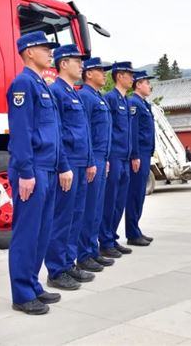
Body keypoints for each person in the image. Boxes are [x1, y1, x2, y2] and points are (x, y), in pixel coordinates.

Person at [6, 31, 63, 315]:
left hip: (48, 168)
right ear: (29, 52)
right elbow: (21, 133)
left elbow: (53, 131)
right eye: (45, 48)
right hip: (33, 170)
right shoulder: (22, 85)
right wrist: (26, 171)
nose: (50, 52)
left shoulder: (42, 85)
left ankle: (34, 284)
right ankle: (21, 293)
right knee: (27, 233)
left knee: (42, 233)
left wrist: (61, 166)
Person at [44, 44, 96, 291]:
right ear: (63, 63)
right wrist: (64, 164)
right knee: (63, 217)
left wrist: (88, 162)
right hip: (67, 165)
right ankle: (55, 269)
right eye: (77, 61)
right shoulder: (56, 91)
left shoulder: (73, 93)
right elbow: (58, 133)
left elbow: (82, 132)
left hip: (80, 163)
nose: (81, 65)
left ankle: (68, 262)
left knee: (76, 216)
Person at [76, 57, 115, 273]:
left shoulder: (97, 97)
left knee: (96, 208)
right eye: (100, 71)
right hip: (92, 158)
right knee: (89, 208)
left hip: (102, 157)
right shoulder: (85, 96)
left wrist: (106, 158)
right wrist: (91, 159)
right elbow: (86, 133)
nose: (104, 75)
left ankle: (92, 250)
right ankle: (83, 255)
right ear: (89, 74)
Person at [100, 62, 136, 255]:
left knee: (120, 201)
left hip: (125, 157)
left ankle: (112, 237)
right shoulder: (111, 99)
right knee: (110, 200)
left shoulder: (126, 100)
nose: (132, 78)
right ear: (119, 76)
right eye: (129, 75)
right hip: (114, 155)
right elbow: (108, 130)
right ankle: (104, 241)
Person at [125, 70, 157, 247]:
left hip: (146, 153)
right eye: (146, 82)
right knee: (135, 194)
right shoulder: (134, 103)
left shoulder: (144, 104)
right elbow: (133, 132)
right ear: (138, 84)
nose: (149, 86)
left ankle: (135, 229)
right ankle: (132, 233)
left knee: (140, 195)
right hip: (139, 154)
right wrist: (135, 154)